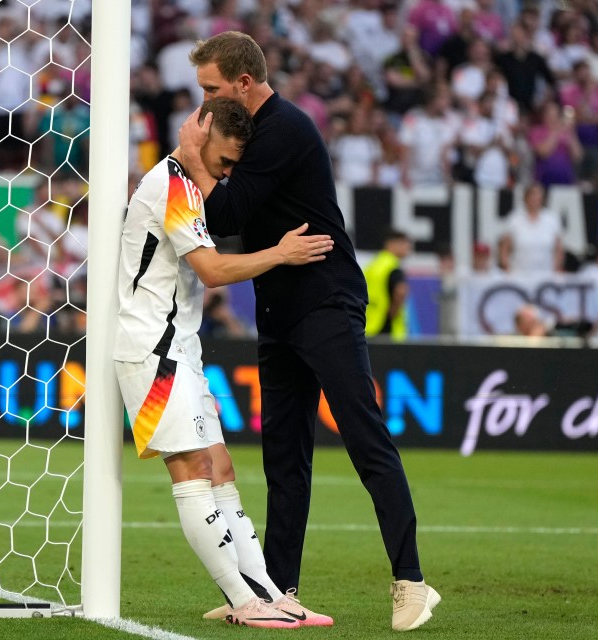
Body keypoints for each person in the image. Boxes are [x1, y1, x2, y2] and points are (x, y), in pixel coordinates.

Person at [178, 31, 439, 632]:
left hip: (324, 302)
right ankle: (277, 591)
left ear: (244, 84)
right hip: (280, 306)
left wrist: (195, 160)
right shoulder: (251, 134)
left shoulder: (285, 128)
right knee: (284, 459)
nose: (203, 107)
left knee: (363, 437)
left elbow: (223, 215)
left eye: (212, 90)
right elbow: (235, 233)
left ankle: (412, 582)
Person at [115, 97, 335, 629]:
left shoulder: (189, 186)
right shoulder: (170, 184)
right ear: (201, 133)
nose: (229, 173)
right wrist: (280, 253)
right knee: (192, 470)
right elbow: (212, 271)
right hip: (152, 349)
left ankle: (266, 592)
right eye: (225, 161)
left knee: (221, 468)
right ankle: (242, 599)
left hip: (181, 347)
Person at [498, 183, 564, 274]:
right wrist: (508, 269)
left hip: (545, 275)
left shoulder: (552, 219)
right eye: (532, 195)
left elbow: (559, 249)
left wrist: (555, 269)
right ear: (526, 198)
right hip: (519, 276)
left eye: (538, 195)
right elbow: (504, 249)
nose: (535, 199)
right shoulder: (514, 219)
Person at [364, 230, 413, 341]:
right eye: (404, 244)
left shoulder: (374, 264)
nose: (408, 248)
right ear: (392, 244)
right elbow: (400, 290)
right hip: (386, 326)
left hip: (370, 324)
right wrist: (393, 311)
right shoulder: (392, 265)